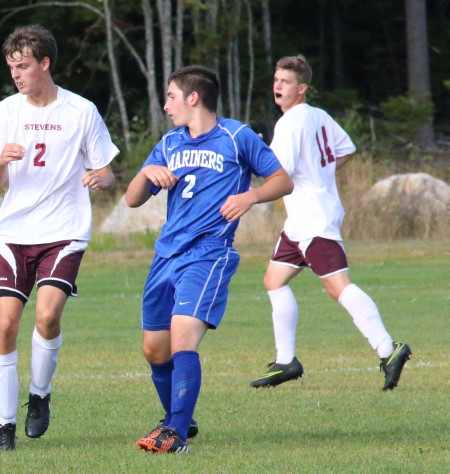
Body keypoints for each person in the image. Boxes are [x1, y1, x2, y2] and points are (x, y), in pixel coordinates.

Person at [125, 65, 294, 454]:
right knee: (154, 349)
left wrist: (250, 196)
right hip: (166, 255)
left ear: (193, 98)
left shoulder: (236, 136)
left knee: (184, 336)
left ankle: (177, 435)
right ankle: (178, 418)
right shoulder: (169, 143)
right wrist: (146, 171)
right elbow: (133, 198)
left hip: (208, 254)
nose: (166, 105)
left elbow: (282, 180)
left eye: (170, 96)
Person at [0, 24, 118, 451]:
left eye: (23, 66)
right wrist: (0, 161)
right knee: (4, 324)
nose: (16, 75)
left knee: (47, 318)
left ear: (45, 63)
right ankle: (4, 425)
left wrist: (101, 178)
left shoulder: (81, 111)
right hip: (15, 232)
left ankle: (39, 394)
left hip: (65, 232)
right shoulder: (5, 112)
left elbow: (108, 171)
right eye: (11, 67)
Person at [250, 55, 411, 390]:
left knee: (338, 286)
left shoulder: (291, 122)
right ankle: (285, 361)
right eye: (277, 80)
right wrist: (320, 175)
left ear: (302, 88)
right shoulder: (319, 116)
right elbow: (346, 148)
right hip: (302, 219)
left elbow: (276, 171)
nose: (279, 86)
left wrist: (252, 163)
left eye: (287, 82)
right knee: (274, 280)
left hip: (313, 218)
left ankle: (388, 349)